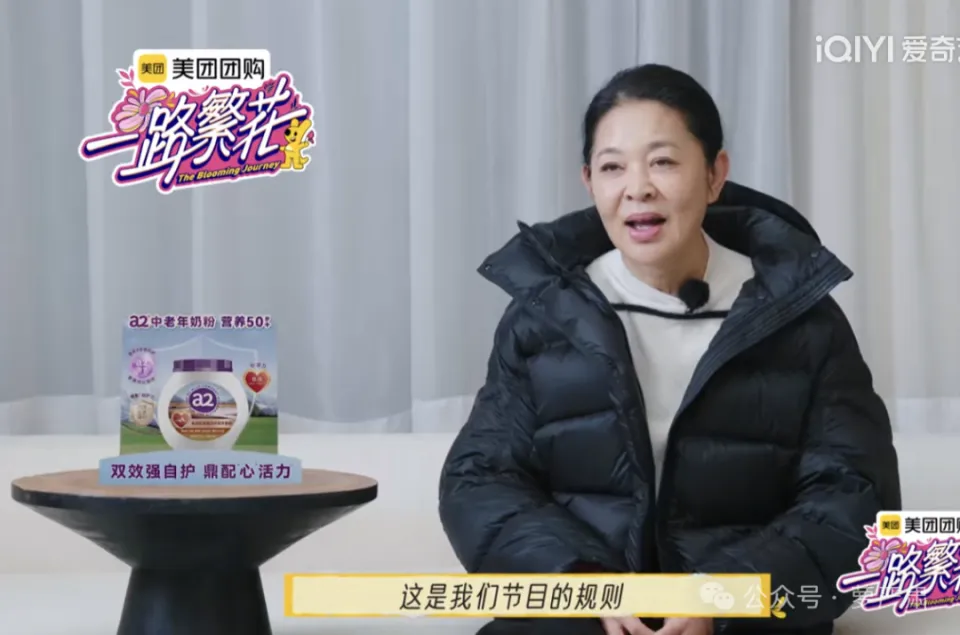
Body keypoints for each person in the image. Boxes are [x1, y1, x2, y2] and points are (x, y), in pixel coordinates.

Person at [437, 64, 902, 635]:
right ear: (589, 181)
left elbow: (854, 495)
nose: (637, 188)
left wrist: (720, 598)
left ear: (714, 174)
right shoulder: (544, 314)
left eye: (662, 161)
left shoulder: (799, 317)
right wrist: (583, 582)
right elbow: (481, 480)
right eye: (613, 167)